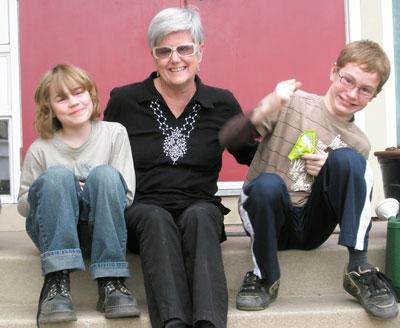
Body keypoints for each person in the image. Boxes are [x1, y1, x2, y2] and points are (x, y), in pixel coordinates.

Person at [219, 40, 399, 319]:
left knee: (349, 160)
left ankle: (359, 267)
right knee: (267, 184)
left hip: (314, 225)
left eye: (365, 90)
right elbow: (229, 140)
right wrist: (268, 106)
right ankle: (265, 276)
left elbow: (346, 193)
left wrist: (329, 169)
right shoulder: (293, 103)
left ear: (374, 96)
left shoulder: (358, 142)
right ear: (333, 71)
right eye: (347, 80)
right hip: (270, 218)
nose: (352, 94)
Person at [103, 6, 256, 328]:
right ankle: (172, 322)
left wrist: (291, 144)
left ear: (200, 50)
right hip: (142, 210)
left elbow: (250, 155)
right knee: (155, 217)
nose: (176, 59)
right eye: (165, 51)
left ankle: (208, 322)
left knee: (201, 216)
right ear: (153, 55)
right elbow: (101, 154)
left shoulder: (222, 102)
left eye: (184, 48)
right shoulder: (125, 101)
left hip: (198, 205)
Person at [17, 64, 140, 326]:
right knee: (56, 177)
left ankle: (111, 282)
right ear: (48, 107)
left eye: (78, 92)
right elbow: (23, 205)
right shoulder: (40, 148)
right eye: (62, 98)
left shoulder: (114, 133)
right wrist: (55, 191)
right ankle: (57, 282)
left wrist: (88, 188)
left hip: (102, 230)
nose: (74, 102)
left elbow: (126, 195)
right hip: (53, 235)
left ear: (91, 94)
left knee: (106, 175)